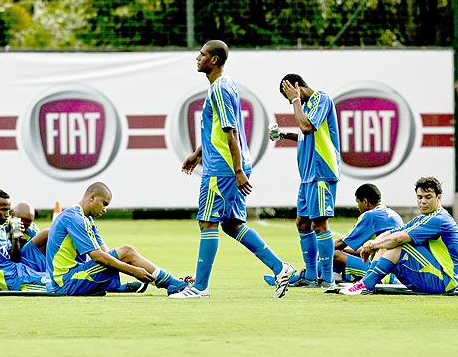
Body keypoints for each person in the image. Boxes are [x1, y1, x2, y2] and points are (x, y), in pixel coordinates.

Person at [169, 40, 295, 299]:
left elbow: (231, 131)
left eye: (202, 54)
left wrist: (237, 170)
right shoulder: (224, 86)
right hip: (225, 164)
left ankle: (200, 287)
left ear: (213, 60)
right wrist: (197, 154)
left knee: (207, 221)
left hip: (223, 169)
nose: (197, 57)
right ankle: (280, 268)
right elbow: (217, 129)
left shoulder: (219, 89)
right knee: (232, 224)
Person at [45, 182, 188, 296]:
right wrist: (133, 271)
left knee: (124, 254)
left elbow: (108, 254)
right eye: (104, 204)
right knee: (127, 251)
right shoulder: (74, 218)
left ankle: (170, 281)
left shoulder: (85, 219)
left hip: (70, 278)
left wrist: (131, 266)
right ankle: (171, 283)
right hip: (66, 282)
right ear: (92, 197)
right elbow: (99, 257)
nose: (105, 209)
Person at [340, 176, 458, 295]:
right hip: (435, 275)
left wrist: (373, 245)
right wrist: (373, 244)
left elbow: (398, 239)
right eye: (420, 197)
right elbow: (391, 233)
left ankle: (366, 284)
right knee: (388, 242)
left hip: (444, 280)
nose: (423, 201)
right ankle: (365, 282)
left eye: (428, 197)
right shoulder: (423, 218)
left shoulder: (439, 219)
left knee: (397, 244)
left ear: (438, 198)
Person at [273, 73, 341, 288]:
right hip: (308, 176)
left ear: (297, 87)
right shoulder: (308, 107)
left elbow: (307, 127)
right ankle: (311, 275)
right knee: (302, 223)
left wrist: (294, 101)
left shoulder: (321, 98)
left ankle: (327, 279)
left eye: (290, 95)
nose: (293, 101)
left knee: (319, 223)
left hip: (321, 172)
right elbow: (305, 134)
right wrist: (284, 135)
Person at [263, 183, 403, 285]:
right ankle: (315, 276)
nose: (357, 207)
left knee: (334, 255)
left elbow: (341, 243)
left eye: (358, 202)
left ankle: (299, 277)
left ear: (365, 202)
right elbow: (363, 251)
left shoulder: (371, 215)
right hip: (394, 269)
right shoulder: (391, 213)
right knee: (335, 256)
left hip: (382, 272)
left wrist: (321, 255)